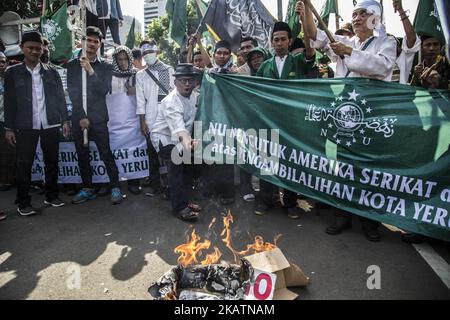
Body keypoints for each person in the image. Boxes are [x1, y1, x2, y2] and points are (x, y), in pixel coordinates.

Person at [300, 0, 397, 241]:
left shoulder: (387, 42)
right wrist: (305, 7)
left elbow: (383, 67)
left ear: (375, 17)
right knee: (343, 168)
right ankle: (342, 216)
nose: (356, 18)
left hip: (372, 116)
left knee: (368, 170)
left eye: (362, 14)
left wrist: (351, 54)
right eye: (353, 14)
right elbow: (313, 35)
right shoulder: (346, 42)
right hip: (346, 116)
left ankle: (369, 221)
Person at [255, 20, 316, 219]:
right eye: (276, 40)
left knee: (290, 164)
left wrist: (305, 22)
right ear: (271, 42)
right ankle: (265, 200)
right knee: (266, 162)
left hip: (292, 124)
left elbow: (310, 51)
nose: (279, 43)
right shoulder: (264, 66)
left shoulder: (298, 61)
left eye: (283, 39)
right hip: (268, 122)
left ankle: (290, 203)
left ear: (290, 42)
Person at [4, 31, 70, 216]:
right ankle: (23, 203)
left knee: (52, 161)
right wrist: (9, 128)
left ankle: (51, 196)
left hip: (50, 123)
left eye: (38, 48)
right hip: (25, 125)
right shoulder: (13, 73)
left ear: (43, 49)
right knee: (24, 164)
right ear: (22, 48)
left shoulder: (52, 72)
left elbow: (60, 99)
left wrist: (65, 120)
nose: (34, 51)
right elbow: (9, 102)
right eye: (30, 47)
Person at [67, 26, 123, 205]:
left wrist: (91, 70)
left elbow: (103, 90)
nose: (91, 44)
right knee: (82, 154)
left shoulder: (105, 66)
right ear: (82, 42)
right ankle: (88, 188)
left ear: (100, 45)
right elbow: (73, 92)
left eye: (95, 41)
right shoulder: (72, 65)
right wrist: (81, 116)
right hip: (79, 118)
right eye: (88, 40)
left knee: (105, 151)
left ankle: (115, 186)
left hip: (99, 117)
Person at [151, 63, 201, 221]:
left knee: (188, 168)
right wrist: (190, 144)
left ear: (195, 82)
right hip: (164, 139)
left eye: (190, 80)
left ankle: (179, 196)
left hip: (183, 138)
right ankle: (179, 208)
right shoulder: (170, 101)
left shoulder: (195, 96)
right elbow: (179, 129)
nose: (187, 84)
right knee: (177, 165)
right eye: (183, 80)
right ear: (175, 82)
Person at [136, 40, 174, 196]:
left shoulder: (170, 70)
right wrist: (142, 122)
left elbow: (174, 94)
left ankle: (172, 187)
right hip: (151, 119)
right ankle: (156, 186)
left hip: (169, 118)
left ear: (157, 52)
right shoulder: (141, 75)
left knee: (171, 153)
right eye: (144, 53)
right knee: (152, 154)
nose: (147, 56)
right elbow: (140, 100)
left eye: (149, 52)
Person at [110, 45, 141, 195]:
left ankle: (134, 181)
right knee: (116, 152)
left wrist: (136, 91)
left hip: (133, 121)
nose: (123, 62)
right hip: (115, 122)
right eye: (119, 59)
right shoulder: (109, 76)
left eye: (126, 59)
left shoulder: (137, 75)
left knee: (134, 152)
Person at [392, 0, 421, 84]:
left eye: (392, 43)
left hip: (399, 97)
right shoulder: (376, 60)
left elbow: (412, 39)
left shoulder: (403, 60)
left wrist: (400, 10)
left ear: (398, 48)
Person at [0, 52, 15, 192]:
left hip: (8, 121)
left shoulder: (11, 78)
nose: (1, 64)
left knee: (8, 151)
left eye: (3, 61)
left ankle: (8, 180)